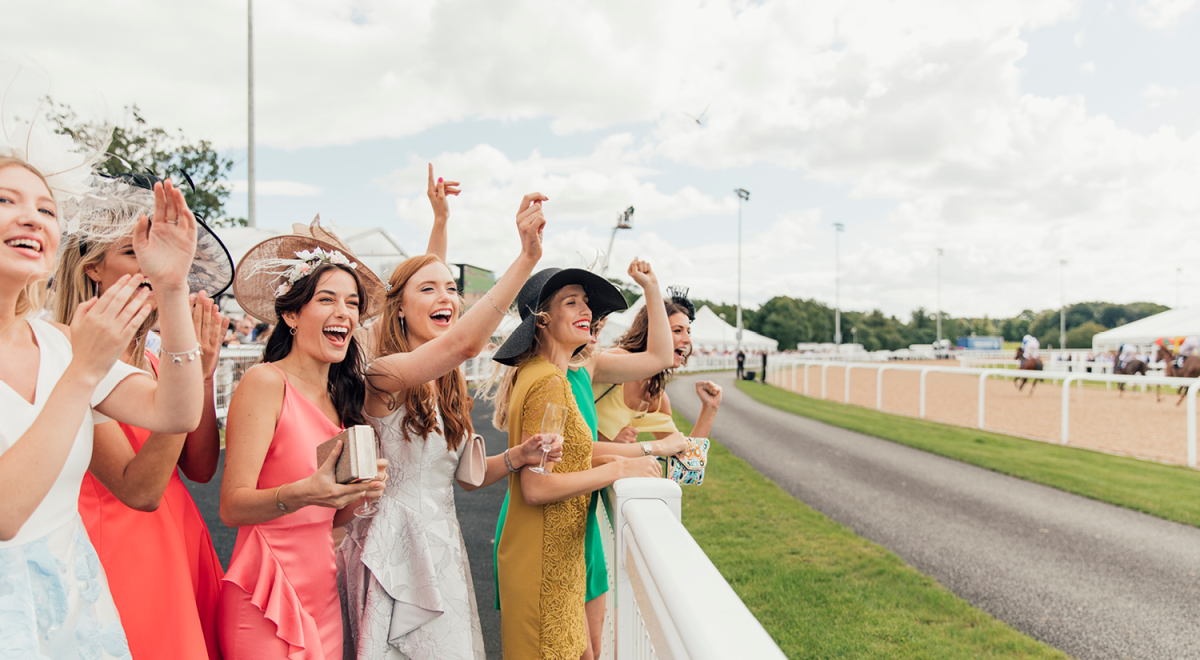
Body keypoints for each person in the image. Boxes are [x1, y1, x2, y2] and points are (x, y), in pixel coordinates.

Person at [1, 130, 205, 659]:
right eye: (5, 201)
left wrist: (174, 289)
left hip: (73, 601)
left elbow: (176, 411)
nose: (32, 218)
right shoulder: (79, 353)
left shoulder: (61, 341)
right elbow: (5, 514)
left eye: (46, 209)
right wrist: (83, 372)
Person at [338, 181, 562, 659]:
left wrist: (519, 456)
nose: (448, 298)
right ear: (397, 312)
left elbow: (465, 477)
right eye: (430, 290)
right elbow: (460, 342)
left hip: (442, 548)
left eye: (453, 290)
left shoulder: (446, 382)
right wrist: (526, 259)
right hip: (393, 551)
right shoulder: (382, 375)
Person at [53, 172, 234, 660]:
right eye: (133, 252)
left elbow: (199, 470)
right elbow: (140, 489)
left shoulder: (157, 360)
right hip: (119, 554)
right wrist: (186, 371)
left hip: (178, 541)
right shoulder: (72, 355)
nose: (154, 264)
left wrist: (197, 375)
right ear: (93, 268)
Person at [490, 258, 689, 660]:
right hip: (543, 557)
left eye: (587, 304)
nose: (587, 312)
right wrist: (620, 466)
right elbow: (536, 487)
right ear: (542, 321)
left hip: (557, 553)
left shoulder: (548, 374)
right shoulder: (547, 381)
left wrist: (651, 288)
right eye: (572, 303)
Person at [218, 218, 388, 660]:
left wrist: (359, 492)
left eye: (352, 303)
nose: (344, 313)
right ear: (291, 314)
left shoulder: (342, 397)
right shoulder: (264, 382)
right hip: (265, 595)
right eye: (326, 299)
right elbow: (232, 506)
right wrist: (305, 491)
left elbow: (333, 519)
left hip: (323, 594)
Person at [594, 287, 723, 450]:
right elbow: (564, 411)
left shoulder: (655, 394)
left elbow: (684, 456)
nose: (687, 340)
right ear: (653, 332)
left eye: (688, 332)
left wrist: (710, 408)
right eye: (677, 330)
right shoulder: (616, 359)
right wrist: (600, 438)